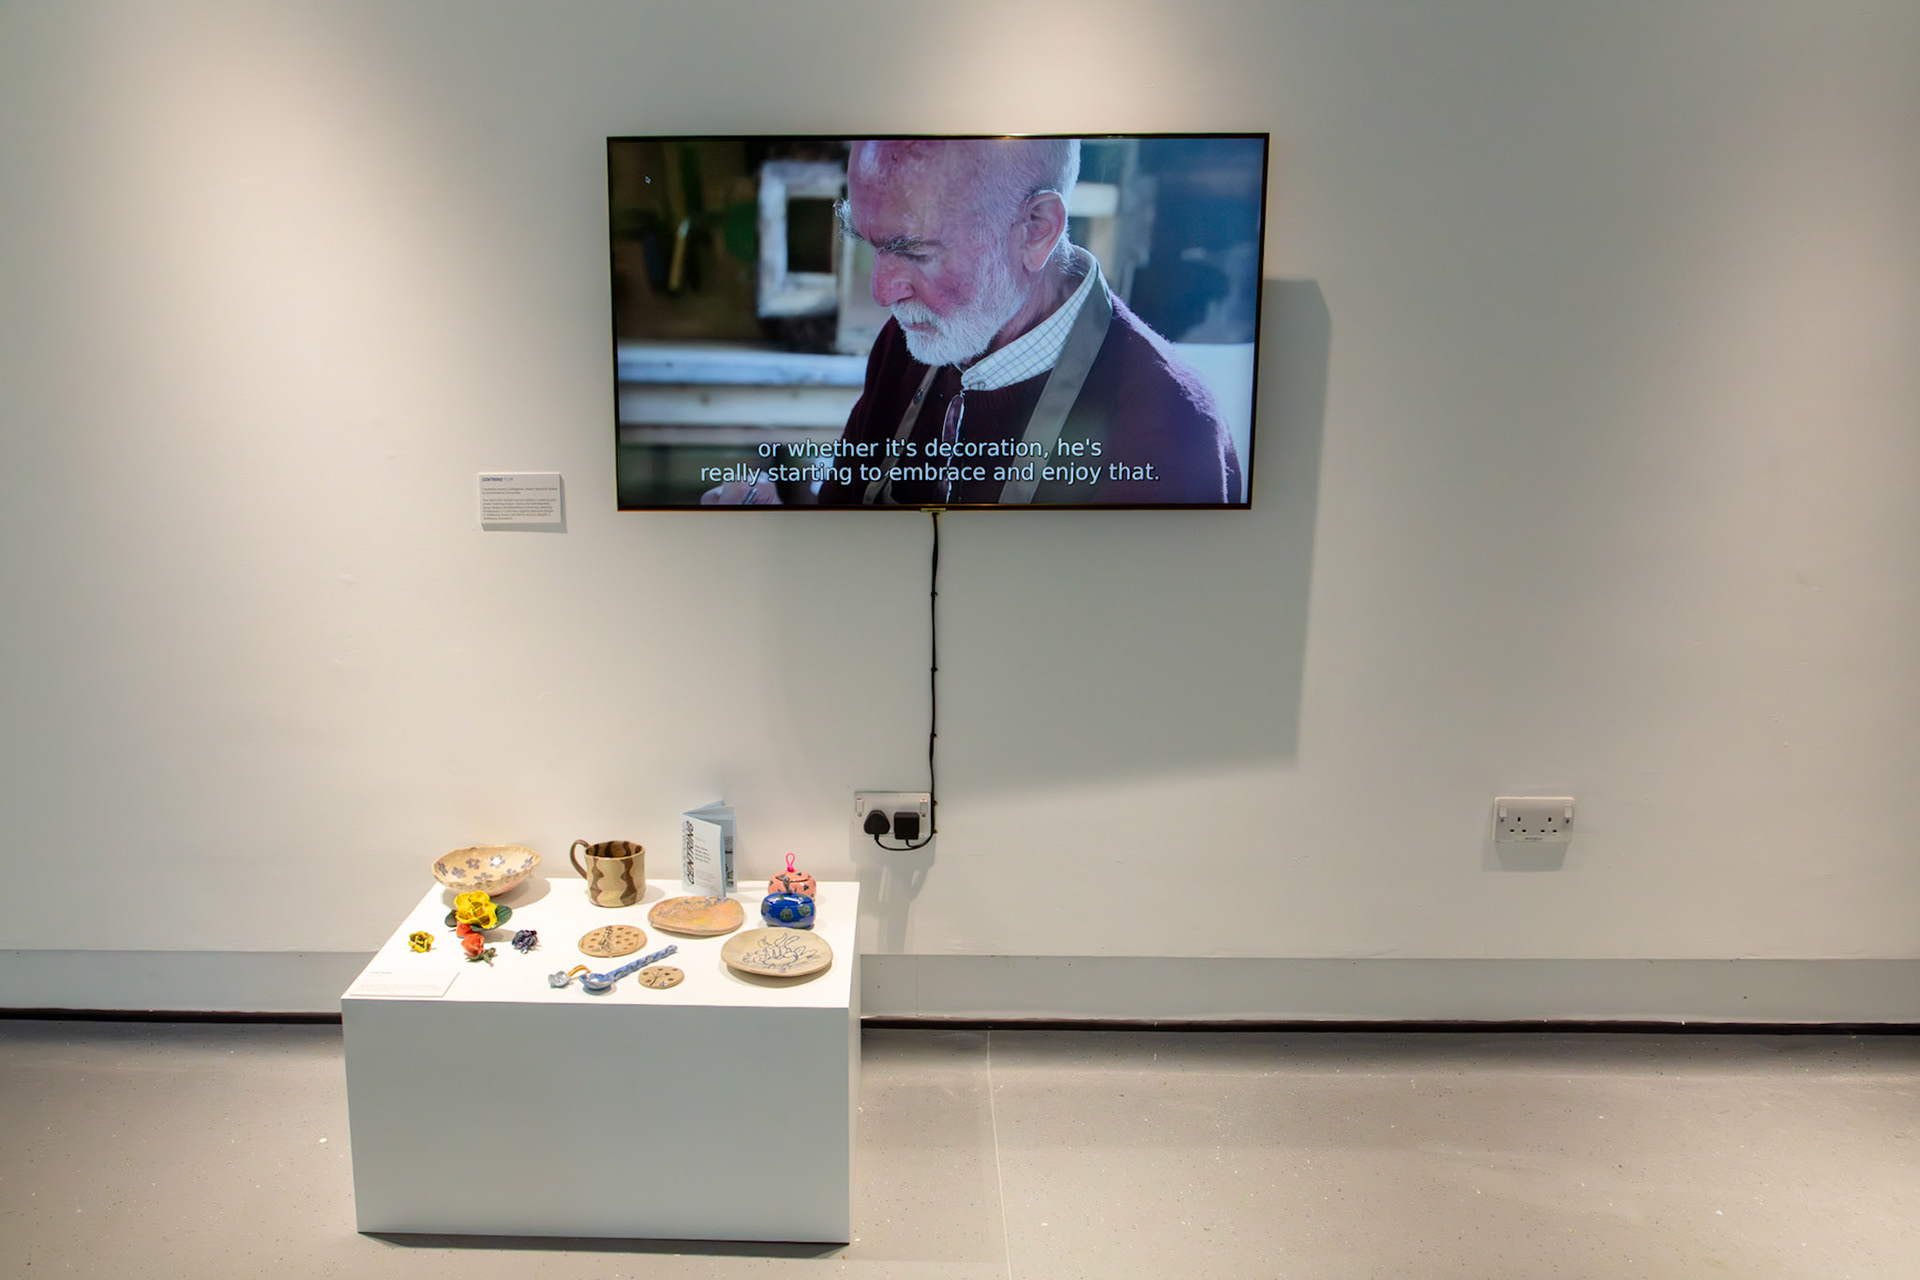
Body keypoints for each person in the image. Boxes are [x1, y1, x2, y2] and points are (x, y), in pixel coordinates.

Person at [706, 138, 1241, 506]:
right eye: (870, 244)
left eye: (914, 251)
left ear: (1037, 228)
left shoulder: (1167, 426)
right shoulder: (908, 340)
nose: (882, 292)